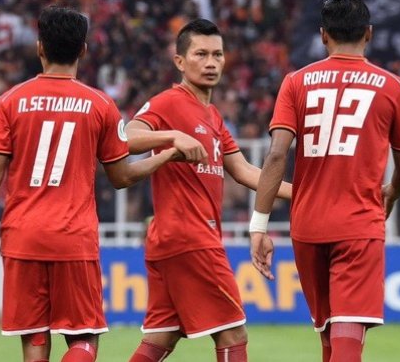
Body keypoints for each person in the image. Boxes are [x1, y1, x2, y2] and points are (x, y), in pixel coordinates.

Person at [0, 6, 182, 362]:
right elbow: (122, 176)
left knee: (34, 341)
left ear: (39, 48)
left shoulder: (11, 101)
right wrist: (167, 155)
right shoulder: (100, 105)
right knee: (84, 340)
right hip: (73, 238)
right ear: (83, 49)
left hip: (22, 236)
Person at [248, 0, 400, 362]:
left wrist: (259, 225)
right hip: (358, 223)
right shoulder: (394, 87)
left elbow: (277, 155)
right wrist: (392, 193)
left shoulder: (296, 82)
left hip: (307, 226)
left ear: (323, 35)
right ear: (369, 33)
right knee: (348, 334)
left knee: (330, 336)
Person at [125, 19, 292, 362]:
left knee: (162, 338)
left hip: (172, 240)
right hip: (189, 237)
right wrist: (171, 136)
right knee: (232, 333)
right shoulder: (169, 102)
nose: (211, 62)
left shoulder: (213, 115)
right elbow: (126, 136)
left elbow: (245, 171)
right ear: (180, 62)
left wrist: (309, 192)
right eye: (200, 54)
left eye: (217, 54)